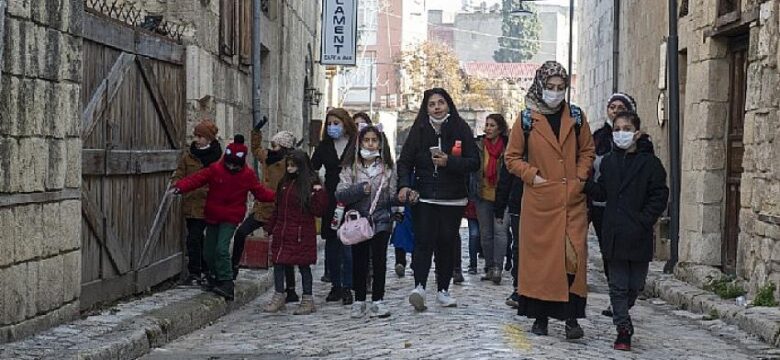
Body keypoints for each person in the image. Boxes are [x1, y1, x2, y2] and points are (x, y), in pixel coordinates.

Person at [504, 61, 595, 338]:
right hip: (540, 202)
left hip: (571, 200)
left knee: (573, 259)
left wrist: (579, 179)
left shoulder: (577, 117)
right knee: (542, 263)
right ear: (541, 85)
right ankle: (540, 317)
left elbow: (587, 151)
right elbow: (512, 158)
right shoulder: (526, 119)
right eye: (551, 87)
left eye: (561, 87)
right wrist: (534, 177)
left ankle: (571, 319)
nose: (556, 92)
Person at [585, 111, 669, 351]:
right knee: (618, 285)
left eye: (626, 128)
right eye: (617, 128)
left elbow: (659, 194)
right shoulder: (610, 161)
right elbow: (603, 192)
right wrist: (586, 185)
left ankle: (622, 311)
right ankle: (623, 329)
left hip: (638, 233)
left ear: (637, 132)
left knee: (635, 286)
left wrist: (645, 219)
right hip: (614, 232)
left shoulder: (650, 163)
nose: (622, 132)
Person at [397, 88, 480, 311]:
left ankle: (443, 290)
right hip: (425, 196)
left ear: (448, 104)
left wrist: (449, 162)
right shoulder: (419, 130)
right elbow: (404, 161)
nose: (436, 107)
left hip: (453, 198)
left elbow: (474, 162)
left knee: (446, 243)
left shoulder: (460, 127)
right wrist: (404, 185)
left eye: (440, 102)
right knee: (423, 242)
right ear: (426, 108)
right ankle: (420, 287)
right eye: (432, 104)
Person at [172, 135, 276, 300]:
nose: (232, 167)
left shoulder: (247, 175)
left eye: (235, 165)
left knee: (221, 249)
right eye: (229, 163)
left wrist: (279, 196)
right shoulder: (215, 169)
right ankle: (215, 277)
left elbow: (260, 192)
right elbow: (196, 179)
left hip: (231, 217)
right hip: (212, 215)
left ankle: (227, 282)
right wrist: (180, 187)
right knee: (208, 251)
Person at [231, 117, 298, 303]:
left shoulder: (288, 164)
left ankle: (291, 289)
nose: (272, 147)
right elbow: (255, 148)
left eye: (276, 145)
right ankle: (233, 268)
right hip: (262, 208)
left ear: (283, 148)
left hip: (279, 210)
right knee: (241, 233)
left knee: (283, 250)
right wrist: (256, 130)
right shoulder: (267, 158)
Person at [336, 124, 397, 318]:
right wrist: (360, 190)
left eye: (374, 140)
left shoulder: (387, 168)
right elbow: (341, 193)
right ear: (360, 142)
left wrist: (398, 206)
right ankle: (359, 299)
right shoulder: (350, 168)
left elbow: (393, 195)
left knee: (379, 260)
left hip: (381, 219)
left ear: (380, 143)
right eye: (366, 140)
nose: (370, 144)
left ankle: (378, 299)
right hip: (359, 219)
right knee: (359, 260)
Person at [262, 150, 328, 315]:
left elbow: (318, 210)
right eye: (288, 165)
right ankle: (279, 295)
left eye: (293, 165)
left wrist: (318, 194)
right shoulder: (284, 183)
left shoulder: (310, 184)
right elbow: (278, 208)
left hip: (301, 232)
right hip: (283, 231)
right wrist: (270, 227)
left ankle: (307, 298)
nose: (290, 169)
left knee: (304, 266)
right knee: (278, 263)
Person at [590, 92, 637, 317]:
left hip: (628, 208)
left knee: (626, 253)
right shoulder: (598, 137)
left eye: (620, 106)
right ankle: (615, 297)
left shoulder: (639, 142)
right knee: (609, 252)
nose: (615, 110)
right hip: (600, 205)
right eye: (612, 106)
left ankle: (627, 293)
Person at [312, 108, 358, 305]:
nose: (332, 127)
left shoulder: (355, 144)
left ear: (345, 123)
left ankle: (349, 286)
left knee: (348, 244)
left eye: (336, 123)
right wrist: (316, 185)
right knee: (332, 244)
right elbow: (312, 166)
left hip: (350, 198)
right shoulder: (324, 146)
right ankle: (335, 286)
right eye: (329, 124)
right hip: (330, 198)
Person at [171, 119, 223, 286]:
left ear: (209, 139)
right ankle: (198, 272)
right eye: (197, 136)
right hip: (191, 204)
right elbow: (180, 173)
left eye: (201, 137)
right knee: (195, 239)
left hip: (208, 204)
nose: (197, 140)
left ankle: (201, 270)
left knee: (197, 239)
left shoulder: (217, 158)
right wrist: (176, 183)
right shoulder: (189, 156)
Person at [475, 114, 510, 285]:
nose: (488, 128)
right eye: (486, 125)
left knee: (500, 232)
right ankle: (489, 267)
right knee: (486, 234)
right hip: (483, 195)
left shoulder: (508, 147)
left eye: (492, 125)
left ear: (500, 128)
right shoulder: (479, 145)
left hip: (502, 197)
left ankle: (498, 268)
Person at [495, 160, 522, 307]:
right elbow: (505, 180)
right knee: (519, 247)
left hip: (543, 205)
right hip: (518, 205)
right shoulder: (516, 148)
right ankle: (519, 287)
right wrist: (500, 208)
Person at [464, 200, 480, 275]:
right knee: (474, 235)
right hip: (473, 206)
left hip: (473, 205)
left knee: (474, 235)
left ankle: (473, 265)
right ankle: (473, 264)